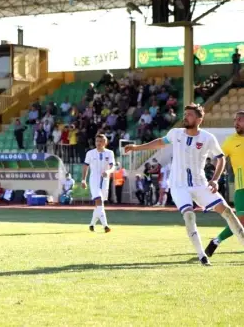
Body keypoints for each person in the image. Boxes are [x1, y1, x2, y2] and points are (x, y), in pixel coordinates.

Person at [125, 104, 244, 266]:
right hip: (178, 185)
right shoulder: (176, 133)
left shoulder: (208, 138)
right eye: (185, 114)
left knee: (228, 212)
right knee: (189, 215)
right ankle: (202, 255)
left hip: (200, 184)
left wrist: (215, 179)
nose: (185, 117)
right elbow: (161, 142)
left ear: (199, 119)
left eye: (189, 115)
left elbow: (221, 158)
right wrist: (137, 148)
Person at [205, 111, 244, 257]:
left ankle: (216, 241)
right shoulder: (230, 141)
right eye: (235, 120)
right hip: (242, 188)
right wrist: (215, 176)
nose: (236, 123)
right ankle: (216, 241)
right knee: (240, 221)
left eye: (240, 120)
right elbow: (218, 158)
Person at [81, 134, 115, 233]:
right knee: (98, 200)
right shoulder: (90, 153)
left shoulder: (110, 153)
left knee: (99, 204)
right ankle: (105, 226)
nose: (98, 143)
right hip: (94, 180)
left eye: (100, 141)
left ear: (105, 142)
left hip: (105, 180)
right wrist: (83, 180)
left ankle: (92, 224)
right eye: (97, 141)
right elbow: (85, 167)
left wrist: (108, 172)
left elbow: (112, 166)